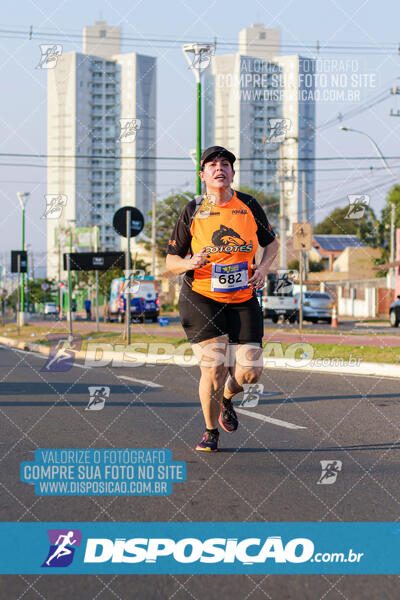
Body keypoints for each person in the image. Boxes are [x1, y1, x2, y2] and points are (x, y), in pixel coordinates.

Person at [166, 146, 279, 451]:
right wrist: (190, 263)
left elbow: (272, 243)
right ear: (203, 175)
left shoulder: (249, 205)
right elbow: (170, 261)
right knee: (215, 365)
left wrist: (263, 268)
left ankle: (227, 397)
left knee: (251, 372)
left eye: (226, 164)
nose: (220, 168)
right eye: (212, 164)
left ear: (232, 172)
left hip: (242, 297)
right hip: (201, 297)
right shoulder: (193, 210)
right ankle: (209, 429)